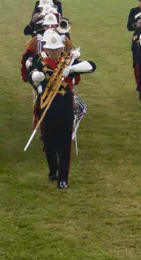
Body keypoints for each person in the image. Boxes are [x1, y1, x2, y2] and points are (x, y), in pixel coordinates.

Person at [29, 29, 96, 189]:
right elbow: (32, 74)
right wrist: (36, 78)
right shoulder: (40, 60)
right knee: (48, 142)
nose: (53, 52)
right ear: (46, 49)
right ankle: (53, 169)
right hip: (46, 106)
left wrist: (72, 69)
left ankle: (63, 178)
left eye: (56, 49)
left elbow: (92, 66)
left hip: (65, 107)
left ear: (61, 49)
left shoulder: (68, 61)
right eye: (51, 49)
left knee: (65, 143)